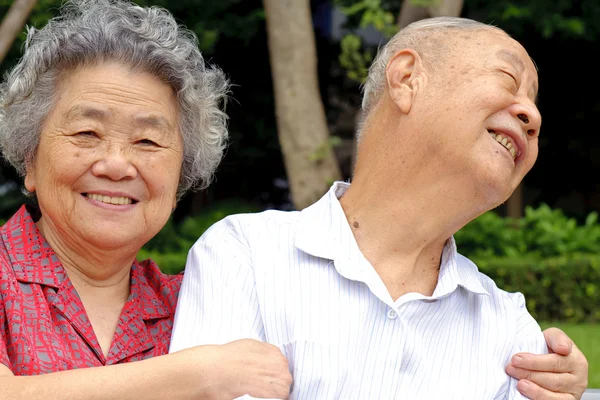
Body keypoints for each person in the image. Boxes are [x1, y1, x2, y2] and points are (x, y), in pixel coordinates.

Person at [170, 17, 589, 399]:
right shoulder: (243, 254)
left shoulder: (511, 329)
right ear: (408, 79)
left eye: (534, 105)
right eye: (507, 80)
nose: (531, 115)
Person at [0, 0, 292, 398]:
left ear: (179, 183)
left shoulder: (197, 302)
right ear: (30, 158)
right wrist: (198, 375)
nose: (117, 165)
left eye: (148, 141)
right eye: (87, 133)